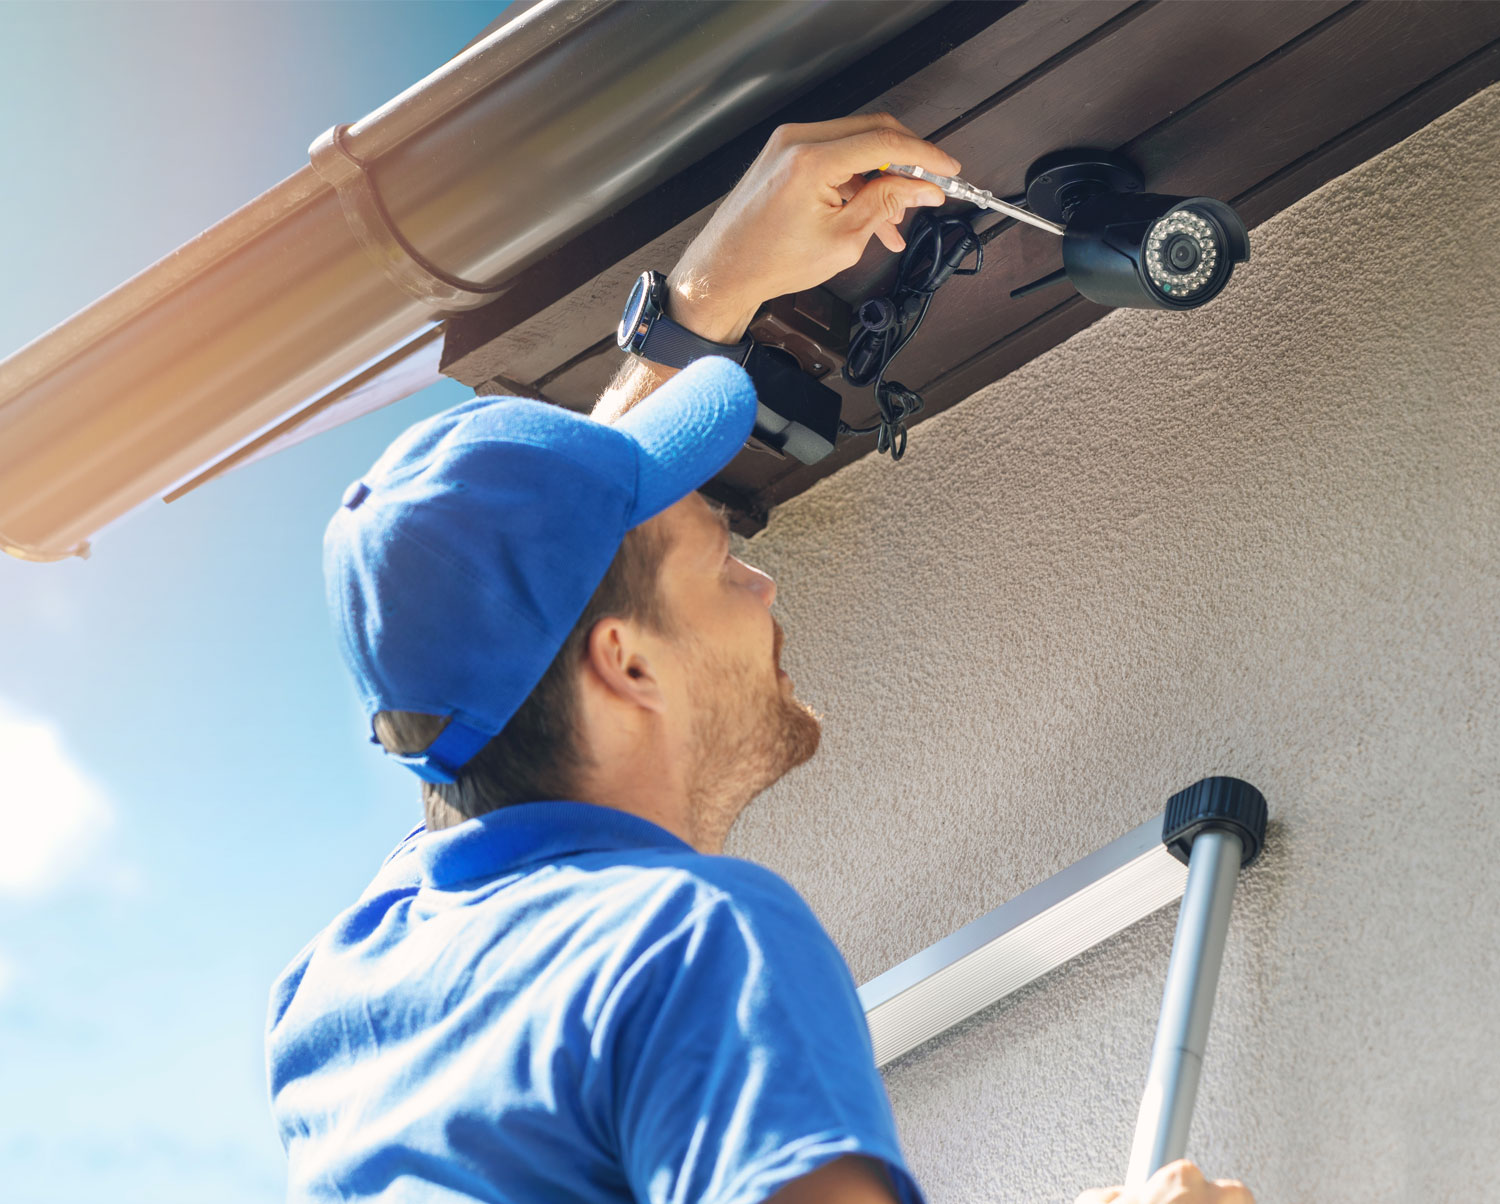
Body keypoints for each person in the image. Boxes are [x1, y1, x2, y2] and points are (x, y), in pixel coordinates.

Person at [266, 113, 1254, 1204]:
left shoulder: (340, 1000)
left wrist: (701, 297)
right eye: (720, 558)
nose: (763, 585)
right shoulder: (691, 943)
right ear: (624, 666)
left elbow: (500, 649)